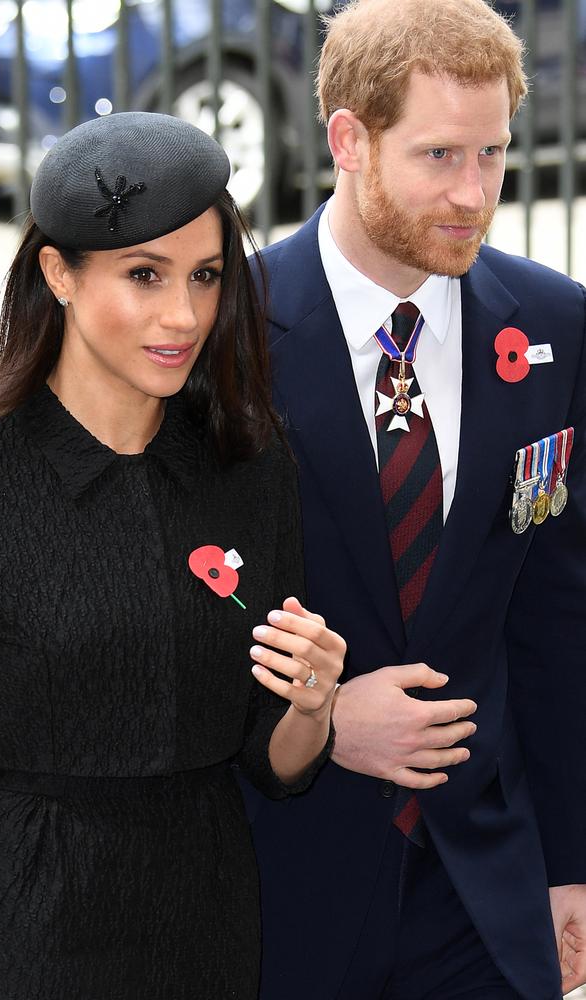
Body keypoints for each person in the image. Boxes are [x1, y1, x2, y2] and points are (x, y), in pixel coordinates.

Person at [0, 111, 345, 1000]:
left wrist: (314, 707)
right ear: (59, 274)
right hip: (19, 919)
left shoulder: (251, 462)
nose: (184, 314)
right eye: (144, 275)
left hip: (208, 915)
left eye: (205, 276)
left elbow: (270, 760)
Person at [243, 1, 586, 997]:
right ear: (348, 138)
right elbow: (172, 601)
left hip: (482, 890)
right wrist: (320, 722)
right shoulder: (231, 337)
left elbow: (557, 615)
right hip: (283, 883)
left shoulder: (553, 327)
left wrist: (569, 865)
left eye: (492, 155)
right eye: (438, 156)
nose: (472, 195)